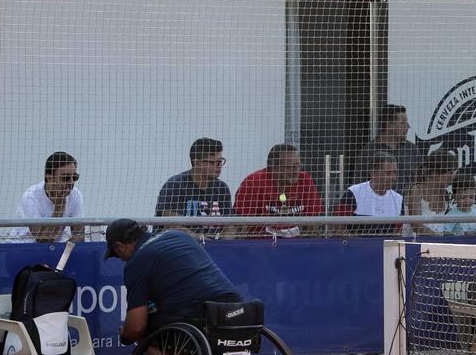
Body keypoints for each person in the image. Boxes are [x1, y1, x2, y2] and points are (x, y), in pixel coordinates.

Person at [103, 218, 243, 343]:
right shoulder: (178, 235)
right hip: (234, 306)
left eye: (116, 254)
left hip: (198, 316)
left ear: (119, 246)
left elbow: (136, 327)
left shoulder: (136, 262)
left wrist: (125, 336)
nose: (120, 259)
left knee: (143, 332)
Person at [233, 143, 324, 238]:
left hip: (297, 245)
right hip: (261, 246)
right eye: (289, 167)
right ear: (273, 168)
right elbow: (241, 225)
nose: (295, 171)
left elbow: (314, 223)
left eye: (298, 166)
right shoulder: (253, 183)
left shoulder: (304, 180)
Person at [155, 137, 234, 239]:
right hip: (178, 247)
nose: (219, 166)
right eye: (213, 162)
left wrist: (224, 242)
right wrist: (199, 238)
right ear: (197, 162)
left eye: (220, 162)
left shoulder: (222, 188)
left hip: (213, 248)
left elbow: (230, 225)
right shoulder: (175, 185)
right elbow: (170, 224)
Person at [7, 151, 85, 243]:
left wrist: (64, 252)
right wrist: (59, 208)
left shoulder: (75, 195)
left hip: (53, 249)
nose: (71, 182)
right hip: (21, 248)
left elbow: (79, 236)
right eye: (66, 178)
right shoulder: (31, 196)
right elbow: (42, 240)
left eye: (75, 177)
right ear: (49, 178)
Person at [352, 104, 423, 194]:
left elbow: (423, 181)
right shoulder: (369, 152)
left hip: (407, 205)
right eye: (403, 123)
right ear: (389, 125)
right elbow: (359, 185)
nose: (407, 126)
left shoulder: (412, 150)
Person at [333, 151, 403, 236]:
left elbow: (397, 235)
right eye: (388, 173)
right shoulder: (353, 193)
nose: (393, 178)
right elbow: (338, 229)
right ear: (373, 173)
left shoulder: (398, 199)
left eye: (395, 173)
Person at [404, 150, 458, 237]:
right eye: (450, 173)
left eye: (454, 172)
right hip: (415, 245)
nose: (453, 177)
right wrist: (438, 237)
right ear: (435, 173)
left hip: (439, 246)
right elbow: (416, 226)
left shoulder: (445, 194)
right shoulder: (416, 190)